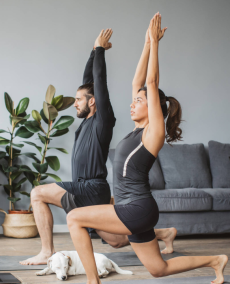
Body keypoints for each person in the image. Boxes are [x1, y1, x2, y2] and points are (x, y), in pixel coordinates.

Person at [66, 13, 228, 284]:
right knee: (158, 269)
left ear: (152, 107)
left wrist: (156, 44)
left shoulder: (154, 132)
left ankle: (93, 282)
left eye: (139, 101)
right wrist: (145, 43)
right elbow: (138, 82)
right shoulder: (137, 130)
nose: (132, 102)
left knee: (74, 218)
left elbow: (150, 83)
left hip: (135, 208)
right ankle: (216, 260)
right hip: (136, 208)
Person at [20, 27, 175, 266]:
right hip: (83, 189)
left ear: (93, 102)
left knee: (37, 193)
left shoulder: (103, 120)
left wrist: (101, 50)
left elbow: (98, 82)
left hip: (92, 187)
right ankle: (163, 233)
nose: (75, 104)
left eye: (79, 100)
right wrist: (94, 52)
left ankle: (46, 251)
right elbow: (89, 81)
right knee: (116, 241)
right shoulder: (86, 122)